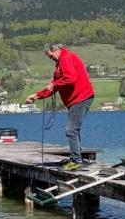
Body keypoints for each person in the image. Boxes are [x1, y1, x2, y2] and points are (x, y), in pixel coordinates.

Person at [25, 43, 95, 171]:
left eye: (50, 55)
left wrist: (55, 83)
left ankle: (76, 161)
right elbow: (54, 86)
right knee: (74, 129)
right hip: (76, 99)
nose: (50, 58)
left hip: (81, 97)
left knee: (71, 129)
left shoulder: (66, 58)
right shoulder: (60, 63)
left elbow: (71, 79)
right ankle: (76, 158)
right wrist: (36, 96)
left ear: (56, 49)